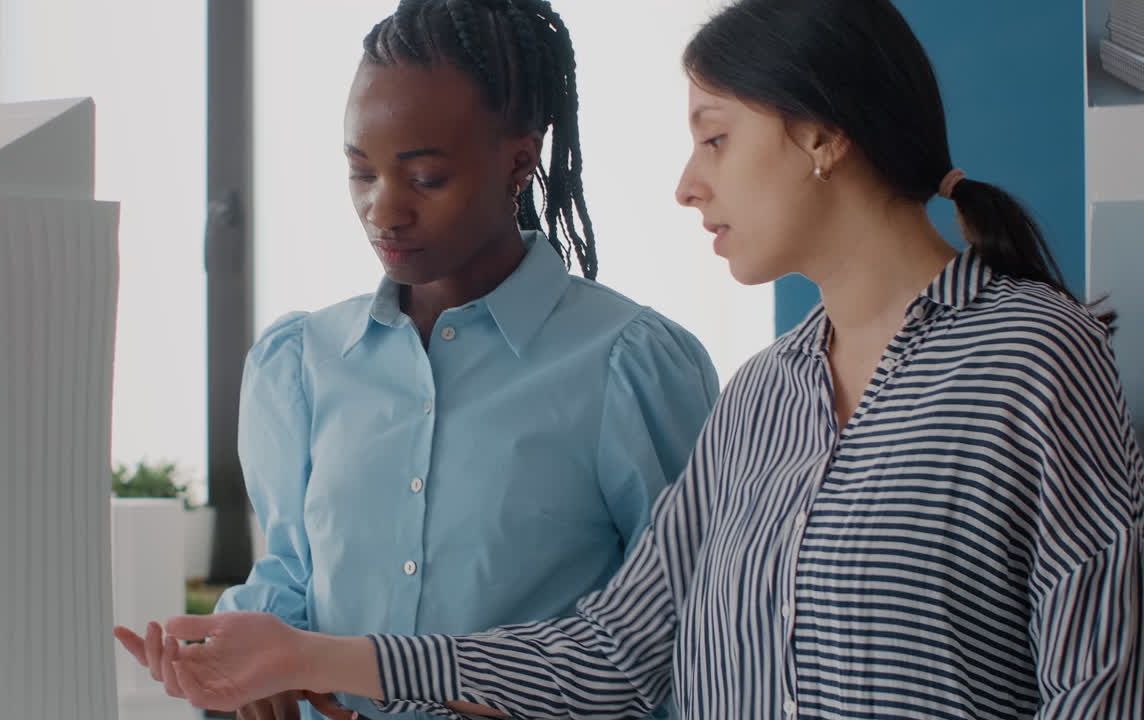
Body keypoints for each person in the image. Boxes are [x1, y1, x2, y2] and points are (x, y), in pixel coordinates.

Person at [127, 0, 1144, 718]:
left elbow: (1100, 683)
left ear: (819, 136)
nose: (684, 186)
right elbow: (611, 651)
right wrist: (307, 654)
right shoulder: (762, 398)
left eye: (712, 138)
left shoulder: (1027, 356)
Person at [115, 1, 719, 719]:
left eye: (425, 178)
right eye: (360, 173)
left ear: (519, 161)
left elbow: (680, 638)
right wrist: (247, 666)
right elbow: (288, 574)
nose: (383, 210)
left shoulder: (632, 365)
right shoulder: (301, 363)